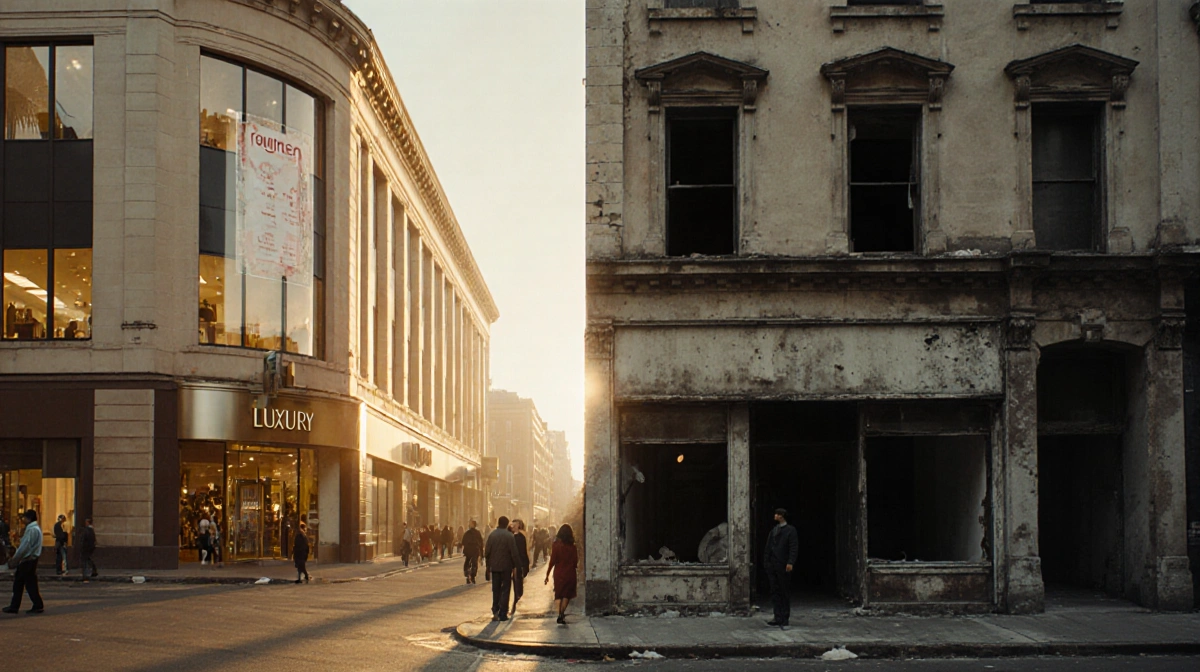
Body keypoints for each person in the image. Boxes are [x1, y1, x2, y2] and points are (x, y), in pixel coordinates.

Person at [4, 509, 44, 614]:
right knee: (27, 583)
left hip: (27, 560)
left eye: (24, 518)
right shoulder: (36, 528)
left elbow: (24, 547)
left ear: (29, 518)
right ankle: (35, 604)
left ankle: (18, 606)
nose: (23, 520)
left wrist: (15, 559)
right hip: (31, 560)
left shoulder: (31, 530)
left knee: (21, 583)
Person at [763, 507, 798, 627]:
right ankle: (777, 616)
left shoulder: (790, 531)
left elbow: (793, 547)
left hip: (783, 564)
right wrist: (767, 562)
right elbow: (768, 547)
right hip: (773, 564)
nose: (775, 516)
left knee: (784, 591)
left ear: (781, 516)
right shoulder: (774, 530)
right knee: (775, 591)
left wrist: (790, 562)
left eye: (777, 514)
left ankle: (784, 617)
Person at [483, 516, 520, 621]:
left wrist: (488, 566)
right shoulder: (510, 536)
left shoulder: (492, 535)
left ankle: (495, 610)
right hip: (506, 567)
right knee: (505, 589)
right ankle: (503, 613)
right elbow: (514, 553)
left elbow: (487, 552)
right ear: (507, 524)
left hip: (495, 567)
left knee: (496, 589)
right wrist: (517, 566)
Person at [545, 523, 578, 625]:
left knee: (559, 594)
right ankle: (561, 613)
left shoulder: (556, 545)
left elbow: (552, 561)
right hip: (570, 573)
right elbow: (575, 561)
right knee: (567, 594)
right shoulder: (573, 547)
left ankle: (559, 613)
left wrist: (547, 574)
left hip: (558, 572)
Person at [510, 519, 530, 613]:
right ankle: (514, 603)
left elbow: (523, 552)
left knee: (518, 584)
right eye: (512, 525)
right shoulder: (511, 536)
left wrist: (525, 564)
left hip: (518, 564)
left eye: (515, 525)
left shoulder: (521, 537)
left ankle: (516, 601)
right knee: (515, 584)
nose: (513, 526)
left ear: (519, 525)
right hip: (512, 564)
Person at [461, 520, 483, 585]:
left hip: (468, 550)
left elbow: (463, 542)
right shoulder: (477, 533)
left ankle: (468, 574)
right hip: (475, 550)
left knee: (467, 562)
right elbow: (481, 543)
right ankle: (473, 576)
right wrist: (481, 552)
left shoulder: (467, 533)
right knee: (474, 563)